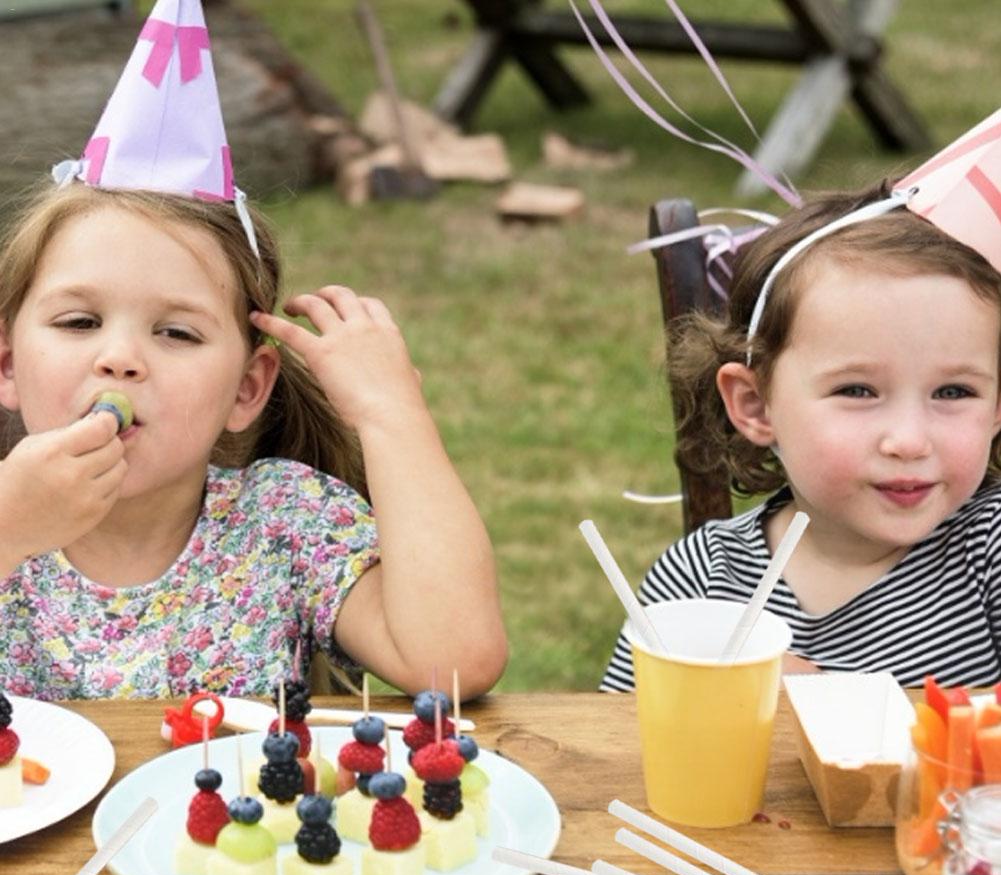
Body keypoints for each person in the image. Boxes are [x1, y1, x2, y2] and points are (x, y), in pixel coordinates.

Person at [0, 183, 507, 699]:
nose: (120, 358)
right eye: (80, 322)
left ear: (247, 388)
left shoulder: (284, 519)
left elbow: (454, 661)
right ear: (8, 362)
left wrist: (391, 413)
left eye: (177, 333)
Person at [602, 180, 1001, 692]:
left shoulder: (989, 549)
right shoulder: (701, 577)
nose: (909, 441)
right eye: (857, 390)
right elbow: (620, 732)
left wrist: (835, 704)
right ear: (755, 404)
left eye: (953, 392)